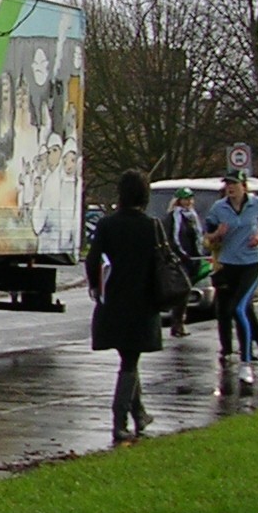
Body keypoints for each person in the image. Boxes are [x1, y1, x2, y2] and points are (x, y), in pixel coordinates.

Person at [85, 169, 164, 438]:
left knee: (128, 358)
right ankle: (120, 421)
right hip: (143, 302)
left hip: (113, 301)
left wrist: (96, 287)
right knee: (130, 362)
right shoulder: (152, 226)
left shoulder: (107, 225)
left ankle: (139, 414)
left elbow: (93, 260)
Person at [205, 170, 258, 385]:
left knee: (238, 309)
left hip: (252, 263)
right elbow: (207, 236)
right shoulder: (219, 208)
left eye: (234, 184)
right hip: (228, 264)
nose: (230, 188)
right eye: (227, 184)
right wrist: (217, 234)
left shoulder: (256, 204)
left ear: (244, 186)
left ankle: (246, 363)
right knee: (245, 312)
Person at [162, 186, 204, 337]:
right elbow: (171, 239)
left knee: (186, 291)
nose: (188, 202)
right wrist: (180, 255)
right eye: (185, 199)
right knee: (182, 290)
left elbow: (197, 237)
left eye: (190, 199)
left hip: (192, 258)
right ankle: (177, 323)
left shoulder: (192, 217)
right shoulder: (173, 217)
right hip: (179, 259)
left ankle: (179, 322)